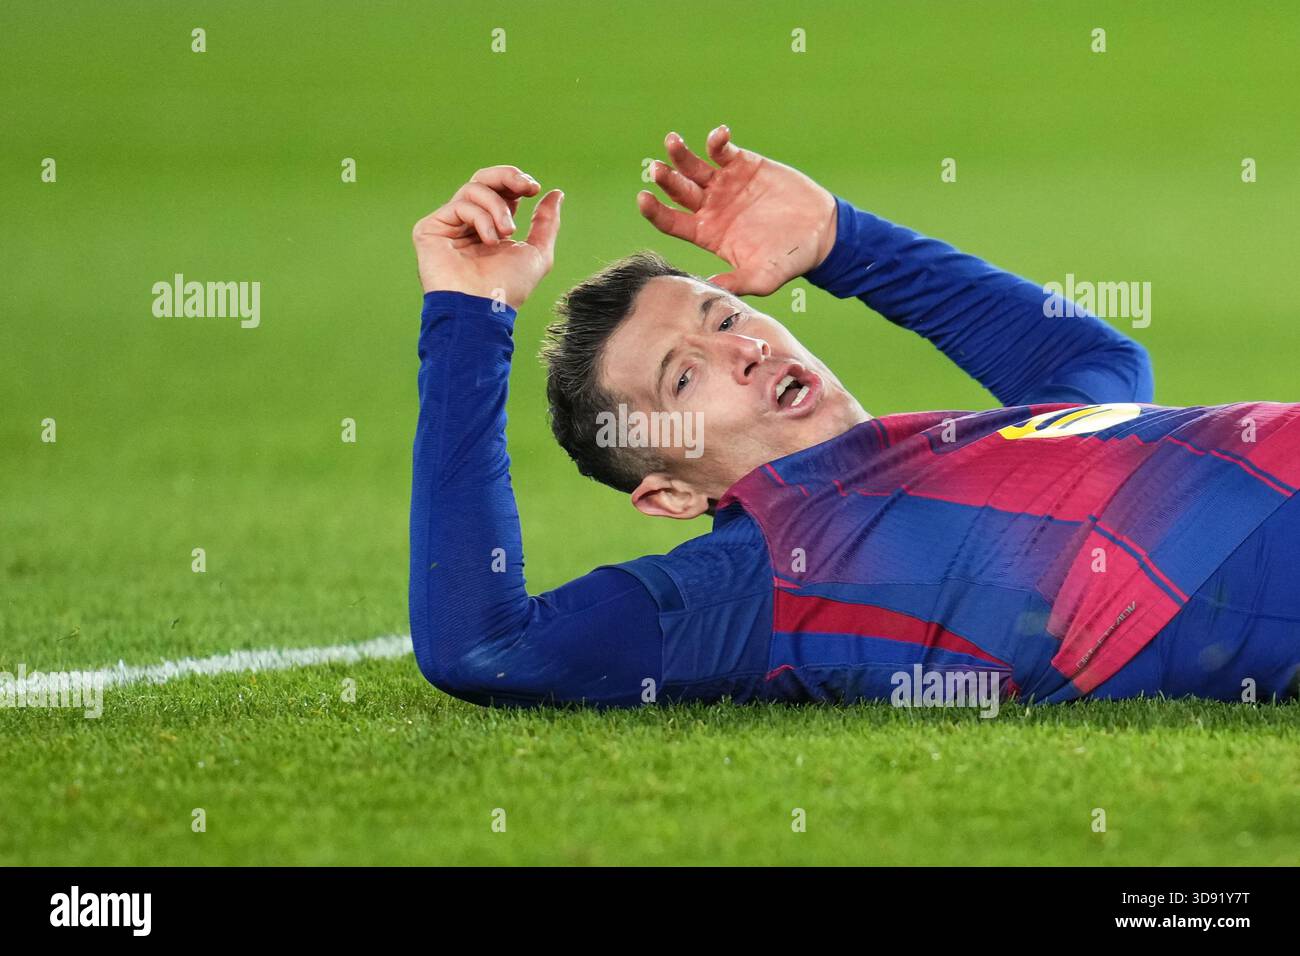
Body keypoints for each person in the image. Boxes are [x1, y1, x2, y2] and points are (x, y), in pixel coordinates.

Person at [408, 126, 1300, 709]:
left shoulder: (937, 455)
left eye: (725, 317)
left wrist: (843, 239)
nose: (742, 347)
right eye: (686, 377)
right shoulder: (762, 580)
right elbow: (486, 649)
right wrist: (467, 317)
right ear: (669, 495)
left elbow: (1097, 371)